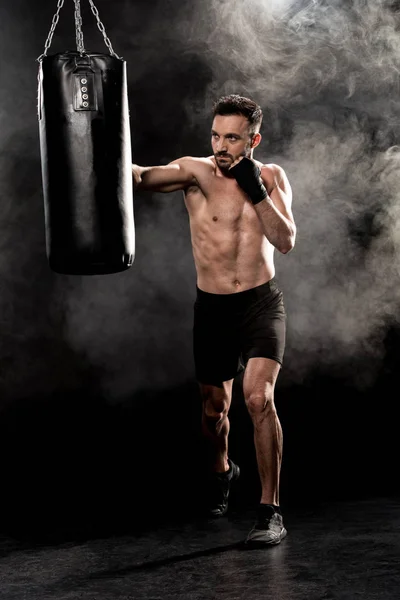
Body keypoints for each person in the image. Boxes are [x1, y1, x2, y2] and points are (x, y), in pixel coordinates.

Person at [132, 94, 296, 546]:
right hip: (214, 309)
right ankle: (223, 469)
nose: (221, 146)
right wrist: (90, 144)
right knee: (215, 412)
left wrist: (255, 189)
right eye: (216, 135)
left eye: (232, 138)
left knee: (259, 399)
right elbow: (141, 177)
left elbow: (285, 240)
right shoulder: (196, 171)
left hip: (261, 304)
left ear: (253, 140)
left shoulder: (272, 177)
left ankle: (270, 511)